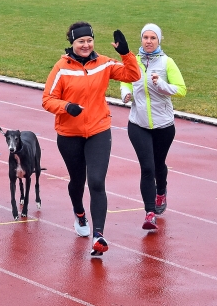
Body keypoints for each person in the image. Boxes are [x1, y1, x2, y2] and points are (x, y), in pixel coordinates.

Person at [42, 22, 140, 256]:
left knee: (96, 182)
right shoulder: (61, 68)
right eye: (80, 42)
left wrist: (125, 53)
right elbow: (47, 100)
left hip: (98, 130)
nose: (86, 45)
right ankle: (79, 213)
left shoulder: (104, 63)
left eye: (89, 40)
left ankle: (99, 235)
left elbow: (132, 75)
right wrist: (67, 107)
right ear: (72, 44)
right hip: (69, 134)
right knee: (77, 181)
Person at [121, 23, 186, 230]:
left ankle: (161, 191)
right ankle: (149, 213)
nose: (148, 41)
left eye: (152, 38)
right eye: (145, 37)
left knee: (159, 165)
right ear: (141, 39)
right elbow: (126, 81)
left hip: (163, 125)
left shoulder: (167, 62)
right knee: (147, 167)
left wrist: (162, 85)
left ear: (159, 40)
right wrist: (125, 93)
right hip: (138, 124)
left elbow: (181, 90)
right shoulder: (134, 61)